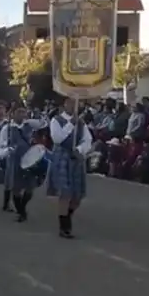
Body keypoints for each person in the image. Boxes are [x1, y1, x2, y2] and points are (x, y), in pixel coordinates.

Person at [46, 97, 92, 238]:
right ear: (65, 104)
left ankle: (68, 215)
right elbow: (57, 139)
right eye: (70, 103)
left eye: (75, 103)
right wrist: (71, 124)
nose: (73, 106)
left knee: (77, 196)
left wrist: (80, 149)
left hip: (76, 159)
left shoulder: (81, 123)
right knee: (65, 193)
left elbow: (88, 139)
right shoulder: (56, 121)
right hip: (62, 158)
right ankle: (64, 226)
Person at [0, 105, 39, 222]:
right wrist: (7, 150)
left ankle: (22, 207)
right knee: (16, 188)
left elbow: (43, 123)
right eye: (19, 112)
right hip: (14, 160)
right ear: (13, 114)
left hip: (29, 160)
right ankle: (21, 212)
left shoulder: (30, 126)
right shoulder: (7, 129)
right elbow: (1, 145)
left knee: (30, 189)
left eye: (24, 112)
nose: (22, 114)